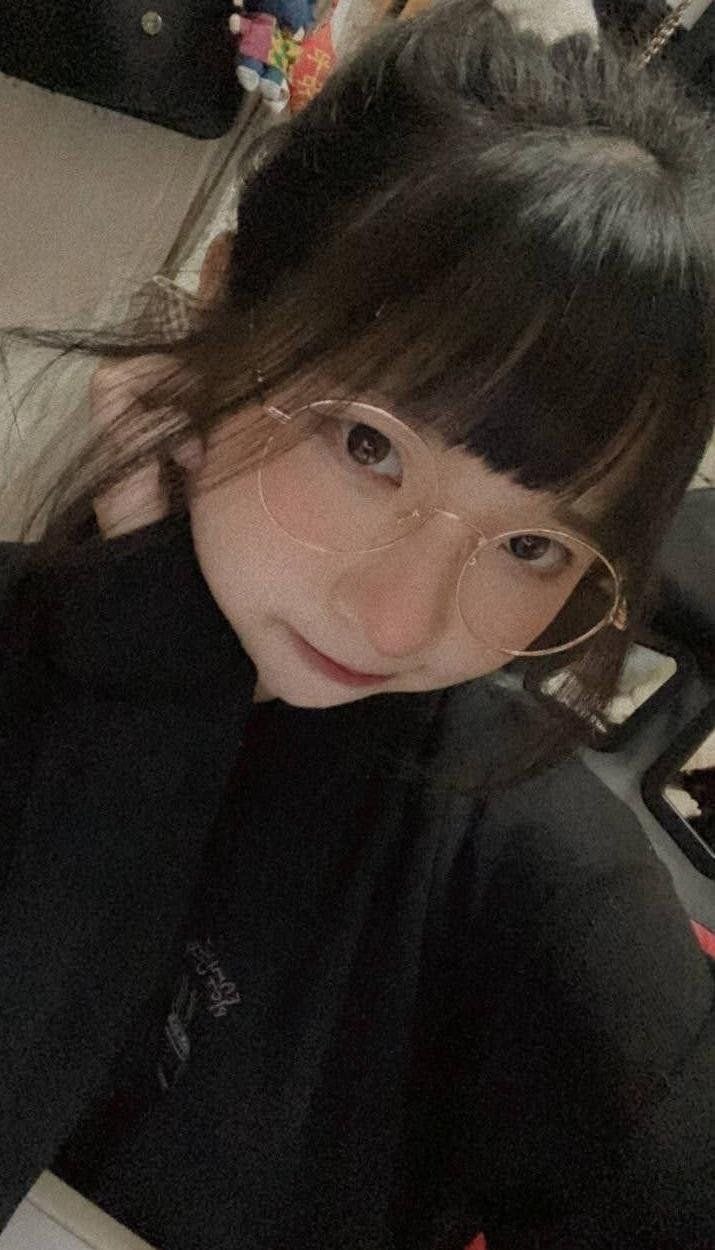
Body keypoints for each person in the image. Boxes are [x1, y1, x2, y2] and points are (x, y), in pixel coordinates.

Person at [0, 1, 714, 1247]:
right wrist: (152, 688)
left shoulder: (531, 886)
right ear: (223, 297)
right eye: (367, 446)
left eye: (533, 545)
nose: (396, 621)